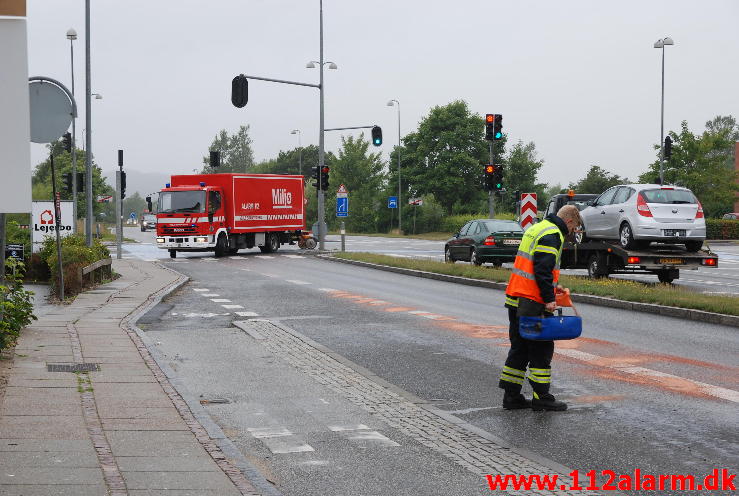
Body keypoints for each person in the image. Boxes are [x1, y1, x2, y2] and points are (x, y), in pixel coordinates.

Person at [498, 204, 582, 411]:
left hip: (516, 297)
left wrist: (553, 287)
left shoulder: (538, 227)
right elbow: (542, 268)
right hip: (532, 301)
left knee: (519, 348)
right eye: (574, 229)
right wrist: (548, 298)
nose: (572, 233)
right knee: (541, 348)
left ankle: (511, 397)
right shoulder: (553, 234)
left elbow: (534, 267)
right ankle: (541, 397)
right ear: (569, 221)